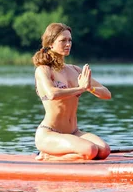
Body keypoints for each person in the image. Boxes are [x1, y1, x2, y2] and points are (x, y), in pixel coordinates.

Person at [32, 22, 112, 161]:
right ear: (50, 44)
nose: (68, 44)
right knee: (90, 150)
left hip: (74, 132)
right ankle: (47, 156)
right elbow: (52, 94)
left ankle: (68, 154)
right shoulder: (44, 70)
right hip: (50, 133)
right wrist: (80, 88)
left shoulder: (75, 70)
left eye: (69, 40)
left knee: (104, 150)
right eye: (63, 40)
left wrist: (89, 88)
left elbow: (106, 94)